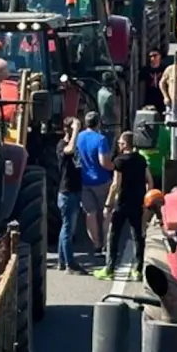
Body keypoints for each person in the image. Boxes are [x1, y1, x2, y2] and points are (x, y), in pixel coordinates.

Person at [97, 131, 153, 282]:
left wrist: (108, 204)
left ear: (125, 144)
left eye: (120, 143)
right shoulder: (141, 159)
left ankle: (109, 269)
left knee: (113, 235)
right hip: (138, 202)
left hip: (122, 202)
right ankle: (137, 270)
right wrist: (147, 200)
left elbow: (116, 184)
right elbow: (149, 180)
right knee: (138, 235)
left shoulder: (119, 161)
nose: (119, 145)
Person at [75, 112, 114, 261]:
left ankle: (96, 244)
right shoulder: (101, 139)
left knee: (90, 214)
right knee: (106, 212)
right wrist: (114, 167)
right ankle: (106, 243)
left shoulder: (79, 137)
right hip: (102, 181)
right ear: (98, 123)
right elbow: (104, 162)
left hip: (85, 181)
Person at [56, 117, 87, 273]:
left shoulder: (73, 145)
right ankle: (70, 264)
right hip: (67, 192)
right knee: (68, 229)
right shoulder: (62, 145)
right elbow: (69, 150)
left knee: (67, 228)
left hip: (75, 190)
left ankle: (62, 261)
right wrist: (75, 130)